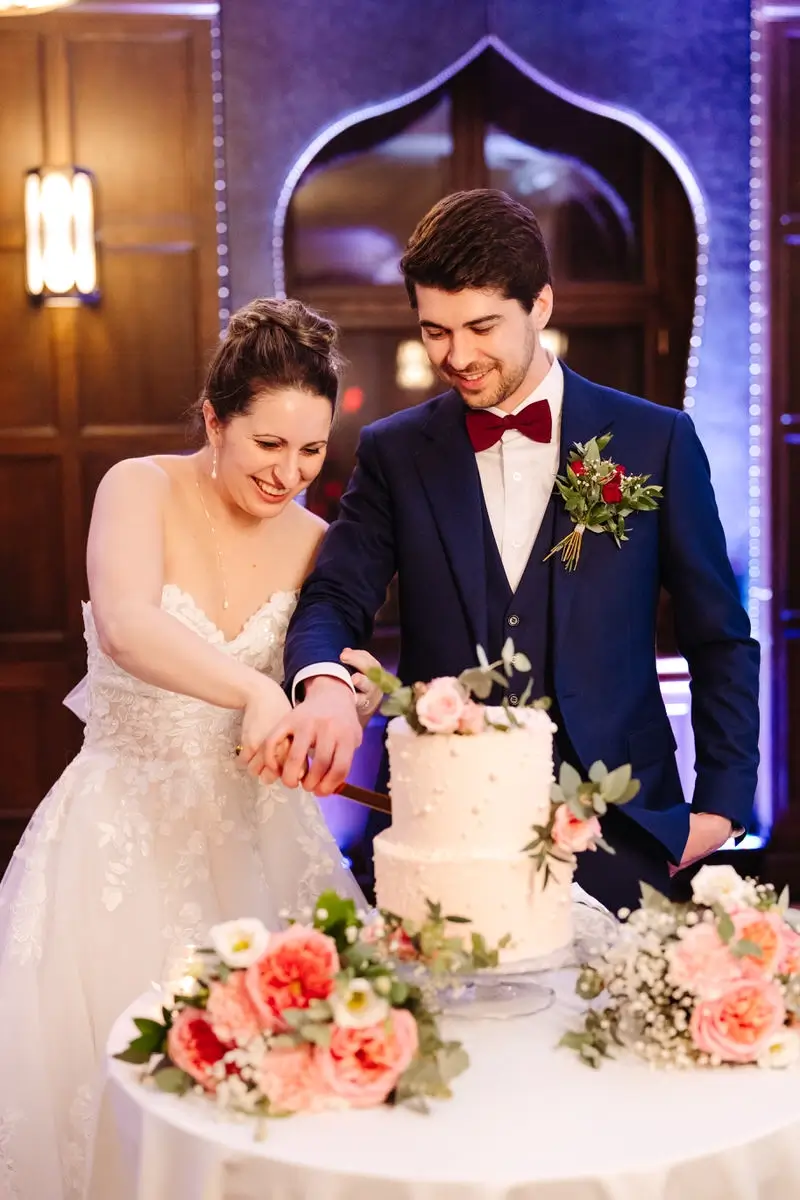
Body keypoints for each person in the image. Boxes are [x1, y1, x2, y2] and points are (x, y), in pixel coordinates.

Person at [264, 188, 760, 915]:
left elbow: (718, 634)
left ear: (541, 306)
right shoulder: (395, 453)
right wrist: (326, 685)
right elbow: (335, 596)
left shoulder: (655, 440)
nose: (457, 356)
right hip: (441, 820)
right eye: (435, 331)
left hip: (623, 824)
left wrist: (720, 805)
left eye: (482, 326)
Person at [0, 298, 381, 1199]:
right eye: (268, 444)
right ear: (214, 420)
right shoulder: (137, 487)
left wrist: (344, 694)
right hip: (119, 842)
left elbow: (322, 659)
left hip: (261, 840)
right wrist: (253, 690)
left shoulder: (317, 541)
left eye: (312, 450)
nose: (289, 472)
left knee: (282, 1110)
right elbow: (128, 625)